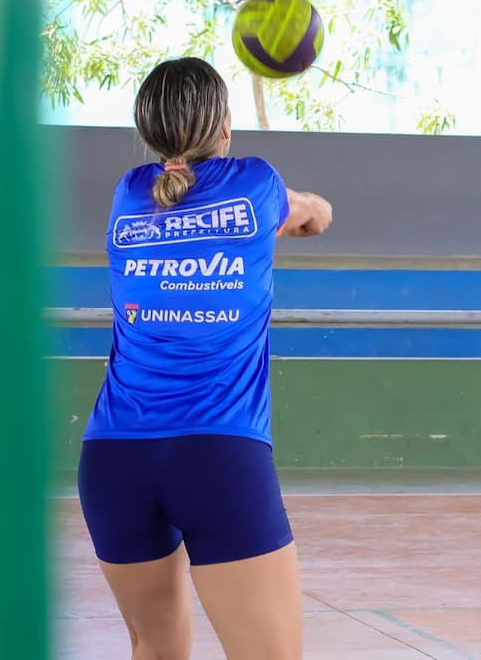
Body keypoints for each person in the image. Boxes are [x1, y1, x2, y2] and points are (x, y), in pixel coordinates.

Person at [77, 57, 332, 660]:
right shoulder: (258, 185)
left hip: (113, 460)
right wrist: (298, 221)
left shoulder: (128, 194)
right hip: (219, 456)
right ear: (224, 126)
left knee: (156, 650)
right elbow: (315, 213)